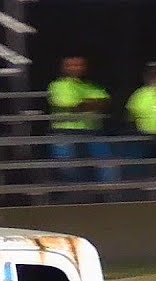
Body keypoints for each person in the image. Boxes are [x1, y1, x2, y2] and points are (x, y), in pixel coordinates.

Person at [47, 56, 116, 185]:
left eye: (79, 65)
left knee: (108, 165)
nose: (76, 68)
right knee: (68, 169)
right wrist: (92, 104)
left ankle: (110, 197)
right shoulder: (58, 85)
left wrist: (83, 104)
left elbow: (106, 103)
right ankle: (76, 194)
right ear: (64, 67)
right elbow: (71, 106)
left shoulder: (93, 86)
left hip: (92, 131)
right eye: (71, 65)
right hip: (65, 132)